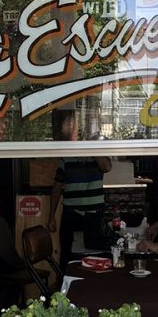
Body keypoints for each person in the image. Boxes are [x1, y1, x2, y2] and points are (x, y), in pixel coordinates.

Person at [46, 110, 112, 269]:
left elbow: (107, 167)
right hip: (71, 213)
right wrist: (51, 216)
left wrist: (93, 150)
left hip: (95, 214)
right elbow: (56, 187)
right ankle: (66, 288)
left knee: (98, 254)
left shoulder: (98, 154)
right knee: (68, 256)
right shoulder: (66, 156)